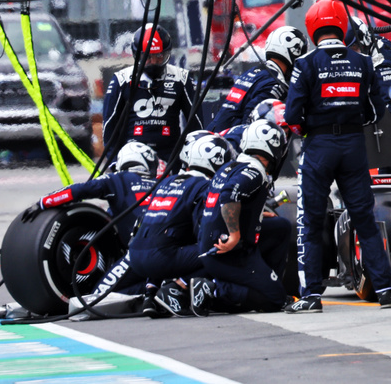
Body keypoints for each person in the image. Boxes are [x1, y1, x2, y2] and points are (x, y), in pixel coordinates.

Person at [285, 0, 391, 313]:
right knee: (365, 219)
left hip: (318, 146)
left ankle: (311, 296)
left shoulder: (305, 63)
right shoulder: (363, 62)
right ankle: (385, 290)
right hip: (353, 146)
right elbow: (377, 111)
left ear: (312, 27)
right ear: (342, 25)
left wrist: (309, 125)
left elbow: (292, 115)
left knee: (311, 221)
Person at [128, 133, 234, 317]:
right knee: (219, 249)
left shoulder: (166, 181)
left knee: (160, 237)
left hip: (135, 256)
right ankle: (176, 288)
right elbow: (203, 229)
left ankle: (150, 295)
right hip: (161, 257)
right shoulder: (204, 185)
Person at [194, 120, 293, 314]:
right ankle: (213, 290)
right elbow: (229, 195)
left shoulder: (231, 166)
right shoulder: (254, 170)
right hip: (229, 250)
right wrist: (235, 235)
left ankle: (265, 279)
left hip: (212, 242)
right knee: (275, 300)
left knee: (280, 226)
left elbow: (218, 202)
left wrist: (254, 214)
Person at [21, 140, 158, 245]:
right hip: (165, 248)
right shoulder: (163, 183)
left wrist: (43, 202)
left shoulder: (117, 179)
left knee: (103, 283)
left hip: (135, 253)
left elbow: (77, 191)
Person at [102, 24, 200, 160]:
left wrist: (191, 159)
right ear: (137, 55)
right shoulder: (121, 79)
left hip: (171, 156)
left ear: (167, 53)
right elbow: (109, 125)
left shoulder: (181, 78)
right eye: (147, 57)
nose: (153, 62)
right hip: (132, 156)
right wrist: (114, 162)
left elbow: (196, 123)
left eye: (159, 56)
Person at [208, 26, 306, 132]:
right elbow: (252, 120)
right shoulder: (275, 83)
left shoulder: (252, 72)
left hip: (214, 133)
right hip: (231, 140)